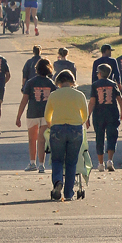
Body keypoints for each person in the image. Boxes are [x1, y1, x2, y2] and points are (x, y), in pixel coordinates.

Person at [44, 70, 88, 201]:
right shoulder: (79, 95)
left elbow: (47, 115)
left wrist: (51, 124)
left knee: (57, 159)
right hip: (75, 129)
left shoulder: (53, 95)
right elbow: (84, 116)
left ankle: (58, 181)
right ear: (72, 81)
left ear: (58, 82)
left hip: (57, 128)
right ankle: (69, 193)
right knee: (71, 161)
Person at [16, 58, 56, 173]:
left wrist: (18, 116)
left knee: (32, 139)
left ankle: (32, 162)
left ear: (36, 69)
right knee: (42, 139)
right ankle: (41, 164)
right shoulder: (50, 83)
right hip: (46, 114)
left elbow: (24, 100)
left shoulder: (30, 82)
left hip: (32, 113)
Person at [87, 63, 122, 172]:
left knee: (99, 137)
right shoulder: (113, 84)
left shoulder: (95, 85)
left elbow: (92, 102)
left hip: (98, 114)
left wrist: (88, 116)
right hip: (112, 112)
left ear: (99, 73)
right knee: (112, 136)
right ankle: (110, 160)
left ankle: (100, 163)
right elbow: (120, 100)